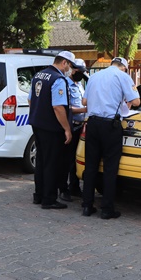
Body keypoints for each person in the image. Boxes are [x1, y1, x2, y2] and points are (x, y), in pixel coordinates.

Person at [82, 56, 140, 219]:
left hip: (92, 124)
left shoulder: (94, 76)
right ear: (124, 67)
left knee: (91, 166)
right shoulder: (123, 76)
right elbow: (136, 101)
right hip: (110, 126)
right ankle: (107, 209)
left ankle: (87, 205)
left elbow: (84, 100)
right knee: (109, 167)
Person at [28, 50, 84, 209]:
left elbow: (31, 101)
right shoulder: (58, 79)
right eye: (70, 66)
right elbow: (58, 107)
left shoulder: (39, 75)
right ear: (64, 62)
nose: (70, 70)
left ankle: (38, 195)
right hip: (52, 128)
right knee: (52, 163)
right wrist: (67, 129)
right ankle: (49, 199)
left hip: (37, 124)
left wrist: (39, 114)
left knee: (41, 161)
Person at [58, 58, 88, 202]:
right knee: (66, 160)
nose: (78, 73)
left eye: (80, 71)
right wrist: (84, 109)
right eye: (76, 70)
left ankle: (74, 187)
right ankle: (63, 188)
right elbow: (66, 108)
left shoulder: (80, 85)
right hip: (72, 125)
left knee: (77, 160)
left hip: (81, 126)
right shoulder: (65, 84)